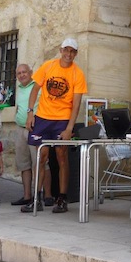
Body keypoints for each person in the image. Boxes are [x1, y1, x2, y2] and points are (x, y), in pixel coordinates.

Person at [22, 38, 87, 214]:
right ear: (60, 50)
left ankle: (62, 198)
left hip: (62, 119)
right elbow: (35, 89)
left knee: (61, 156)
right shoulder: (49, 66)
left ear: (76, 54)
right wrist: (30, 113)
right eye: (66, 50)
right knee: (41, 157)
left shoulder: (78, 74)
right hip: (43, 117)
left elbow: (76, 104)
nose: (69, 54)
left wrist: (69, 128)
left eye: (72, 51)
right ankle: (37, 198)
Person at [12, 64, 53, 207]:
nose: (22, 75)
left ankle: (47, 195)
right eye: (19, 73)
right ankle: (27, 196)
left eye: (24, 72)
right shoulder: (19, 89)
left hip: (36, 129)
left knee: (42, 163)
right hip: (20, 128)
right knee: (24, 164)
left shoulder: (38, 86)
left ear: (31, 73)